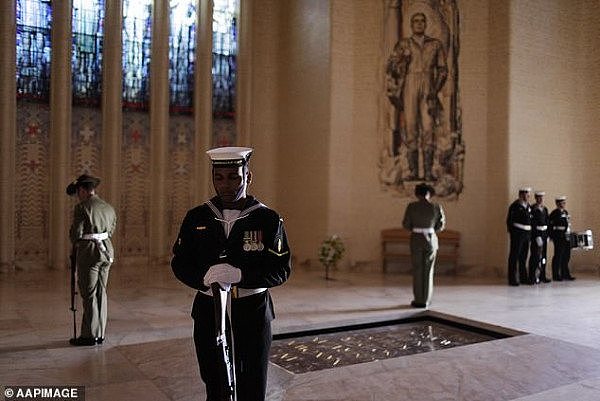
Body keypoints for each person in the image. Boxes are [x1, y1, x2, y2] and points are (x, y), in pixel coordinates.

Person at [171, 147, 291, 401]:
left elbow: (281, 269)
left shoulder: (268, 219)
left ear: (248, 177)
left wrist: (241, 275)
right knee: (214, 379)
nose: (226, 185)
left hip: (252, 311)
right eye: (219, 177)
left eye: (234, 177)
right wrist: (202, 279)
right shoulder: (197, 217)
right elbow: (180, 263)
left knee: (252, 381)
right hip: (208, 309)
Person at [386, 12, 448, 181]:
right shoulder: (404, 44)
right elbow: (390, 67)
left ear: (426, 24)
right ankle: (413, 171)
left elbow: (443, 70)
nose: (419, 24)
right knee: (411, 127)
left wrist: (435, 90)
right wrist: (402, 60)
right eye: (416, 21)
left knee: (428, 128)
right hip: (410, 85)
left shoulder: (435, 44)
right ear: (411, 25)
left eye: (422, 21)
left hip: (428, 84)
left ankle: (427, 171)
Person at [66, 174, 117, 346]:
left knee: (89, 294)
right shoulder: (108, 207)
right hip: (106, 251)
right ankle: (100, 333)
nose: (78, 196)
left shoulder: (82, 207)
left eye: (78, 192)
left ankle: (89, 336)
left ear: (82, 189)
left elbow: (76, 234)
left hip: (89, 253)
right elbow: (110, 230)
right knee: (101, 292)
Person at [402, 183, 445, 307]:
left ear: (417, 194)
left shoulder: (411, 206)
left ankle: (418, 300)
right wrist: (430, 229)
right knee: (428, 270)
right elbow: (441, 225)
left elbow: (406, 224)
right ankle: (426, 299)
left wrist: (416, 228)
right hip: (431, 240)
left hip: (416, 239)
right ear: (429, 193)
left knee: (417, 269)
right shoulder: (436, 207)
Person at [506, 188, 532, 286]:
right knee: (514, 255)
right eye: (526, 194)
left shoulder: (528, 206)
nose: (528, 196)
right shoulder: (515, 206)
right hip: (518, 233)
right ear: (521, 194)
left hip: (526, 234)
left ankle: (523, 277)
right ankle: (512, 278)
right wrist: (514, 233)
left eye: (528, 194)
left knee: (524, 257)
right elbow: (510, 221)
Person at [549, 196, 575, 281]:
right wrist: (551, 236)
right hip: (559, 236)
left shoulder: (566, 212)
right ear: (557, 204)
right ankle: (556, 275)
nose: (562, 205)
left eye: (563, 203)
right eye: (560, 203)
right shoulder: (554, 213)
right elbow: (551, 226)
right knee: (558, 256)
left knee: (566, 256)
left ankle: (565, 274)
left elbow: (567, 224)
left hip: (566, 236)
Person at [528, 191, 551, 284]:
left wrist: (548, 235)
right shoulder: (532, 209)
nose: (540, 199)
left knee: (543, 257)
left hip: (544, 234)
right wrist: (536, 235)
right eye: (538, 197)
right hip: (537, 235)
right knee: (535, 256)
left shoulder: (545, 209)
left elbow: (547, 222)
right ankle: (532, 276)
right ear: (535, 198)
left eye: (542, 197)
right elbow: (532, 223)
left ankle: (542, 275)